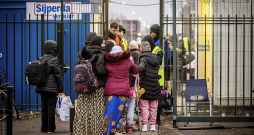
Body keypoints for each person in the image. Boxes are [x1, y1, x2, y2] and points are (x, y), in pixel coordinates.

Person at [73, 35, 107, 135]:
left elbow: (77, 67)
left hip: (84, 86)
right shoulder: (101, 53)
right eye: (103, 43)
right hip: (97, 87)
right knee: (96, 111)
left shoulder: (82, 52)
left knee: (83, 111)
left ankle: (81, 131)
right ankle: (96, 131)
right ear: (99, 43)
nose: (104, 45)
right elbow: (101, 70)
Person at [103, 46, 139, 135]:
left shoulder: (108, 61)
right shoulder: (127, 61)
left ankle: (109, 131)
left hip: (110, 90)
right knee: (122, 112)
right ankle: (119, 130)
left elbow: (103, 73)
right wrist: (131, 83)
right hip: (124, 90)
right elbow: (136, 71)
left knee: (110, 111)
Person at [35, 40, 64, 133]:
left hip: (42, 87)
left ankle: (44, 128)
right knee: (51, 106)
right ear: (54, 49)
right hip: (51, 88)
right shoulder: (54, 60)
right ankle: (50, 128)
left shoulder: (41, 59)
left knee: (44, 107)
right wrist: (61, 88)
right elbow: (57, 75)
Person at [137, 36, 161, 132]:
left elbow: (141, 68)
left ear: (142, 49)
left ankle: (144, 125)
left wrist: (133, 67)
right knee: (153, 107)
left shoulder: (143, 58)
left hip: (145, 86)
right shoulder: (156, 58)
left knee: (144, 107)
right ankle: (152, 125)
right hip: (155, 86)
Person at [123, 40, 142, 133]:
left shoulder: (120, 63)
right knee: (131, 107)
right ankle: (129, 125)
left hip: (122, 89)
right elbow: (136, 74)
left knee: (123, 107)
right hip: (131, 89)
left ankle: (123, 125)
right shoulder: (133, 63)